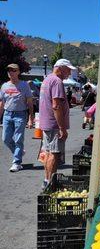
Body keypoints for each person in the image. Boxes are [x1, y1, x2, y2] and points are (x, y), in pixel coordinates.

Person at [39, 58, 76, 188]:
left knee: (49, 153)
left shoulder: (47, 79)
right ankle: (50, 183)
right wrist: (62, 128)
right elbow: (56, 106)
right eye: (68, 70)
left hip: (47, 123)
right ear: (60, 68)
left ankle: (46, 180)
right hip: (54, 125)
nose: (69, 73)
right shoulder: (57, 81)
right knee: (54, 155)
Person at [0, 63, 34, 172]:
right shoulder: (4, 86)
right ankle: (18, 151)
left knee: (19, 139)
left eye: (14, 70)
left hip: (20, 114)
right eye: (9, 70)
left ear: (18, 72)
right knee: (5, 139)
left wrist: (30, 118)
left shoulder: (24, 85)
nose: (11, 72)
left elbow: (30, 102)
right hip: (7, 114)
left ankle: (17, 162)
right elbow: (1, 103)